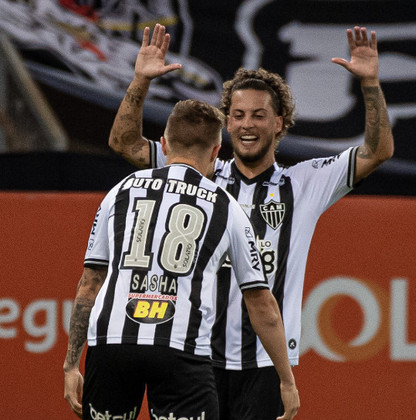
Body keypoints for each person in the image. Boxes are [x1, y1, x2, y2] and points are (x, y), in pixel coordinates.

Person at [108, 24, 393, 419]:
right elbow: (124, 143)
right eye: (238, 115)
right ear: (226, 124)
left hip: (263, 367)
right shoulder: (201, 172)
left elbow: (378, 151)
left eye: (259, 115)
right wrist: (140, 81)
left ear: (279, 123)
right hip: (197, 355)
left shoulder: (304, 182)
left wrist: (371, 85)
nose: (247, 125)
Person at [62, 98, 299, 420]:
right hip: (180, 347)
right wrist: (285, 380)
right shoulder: (226, 206)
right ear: (217, 152)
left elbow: (90, 283)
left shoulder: (122, 190)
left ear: (164, 143)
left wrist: (71, 363)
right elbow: (262, 304)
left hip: (112, 343)